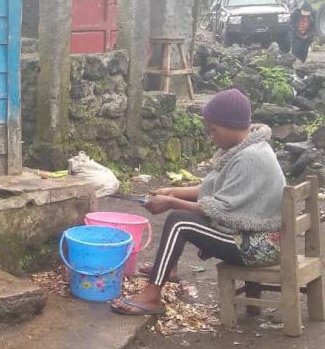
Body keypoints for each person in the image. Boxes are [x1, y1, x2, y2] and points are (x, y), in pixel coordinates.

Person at [111, 89, 285, 315]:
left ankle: (152, 296)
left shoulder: (250, 158)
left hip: (258, 247)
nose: (212, 136)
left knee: (180, 222)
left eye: (214, 130)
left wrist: (171, 203)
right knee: (183, 216)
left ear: (230, 124)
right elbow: (212, 190)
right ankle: (168, 269)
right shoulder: (245, 148)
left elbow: (217, 210)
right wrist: (172, 191)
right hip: (254, 238)